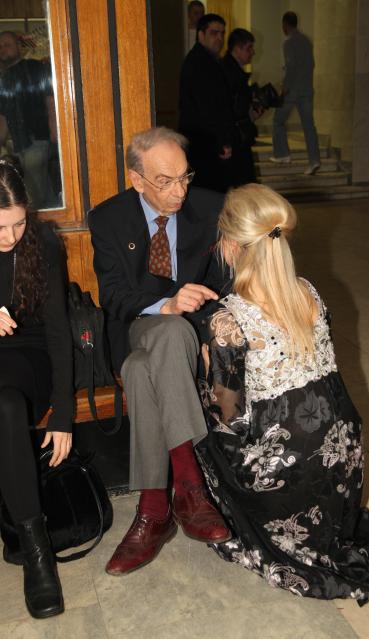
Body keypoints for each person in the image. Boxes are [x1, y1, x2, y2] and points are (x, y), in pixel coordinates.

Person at [196, 182, 369, 604]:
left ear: (229, 245)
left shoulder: (227, 320)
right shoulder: (309, 291)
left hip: (290, 467)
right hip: (344, 450)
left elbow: (230, 419)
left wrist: (207, 369)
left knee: (198, 427)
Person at [88, 127, 231, 577]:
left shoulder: (211, 208)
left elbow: (227, 286)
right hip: (133, 326)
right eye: (165, 182)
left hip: (187, 334)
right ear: (137, 179)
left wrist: (208, 333)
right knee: (158, 338)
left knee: (140, 370)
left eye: (185, 177)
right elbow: (112, 295)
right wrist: (165, 304)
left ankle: (154, 509)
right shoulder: (108, 218)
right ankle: (189, 486)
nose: (179, 192)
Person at [0, 160, 73, 618]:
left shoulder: (42, 242)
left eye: (18, 223)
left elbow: (58, 332)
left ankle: (35, 547)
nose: (10, 237)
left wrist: (63, 414)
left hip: (30, 357)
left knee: (7, 406)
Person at [0, 31, 59, 209]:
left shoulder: (34, 67)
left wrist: (54, 128)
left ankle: (41, 221)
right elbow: (4, 115)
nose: (3, 49)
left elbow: (50, 98)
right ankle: (52, 219)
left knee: (33, 191)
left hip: (38, 137)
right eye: (0, 47)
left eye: (7, 45)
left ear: (19, 47)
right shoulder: (4, 78)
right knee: (41, 188)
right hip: (20, 143)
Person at [179, 13, 236, 193]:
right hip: (204, 145)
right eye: (214, 33)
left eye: (222, 33)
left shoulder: (208, 60)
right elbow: (206, 108)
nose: (219, 38)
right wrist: (221, 142)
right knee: (210, 196)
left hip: (205, 143)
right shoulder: (199, 63)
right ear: (201, 34)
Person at [270, 12, 321, 176]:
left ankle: (282, 154)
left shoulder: (289, 42)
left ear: (285, 24)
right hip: (307, 89)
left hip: (292, 90)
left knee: (278, 121)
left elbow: (291, 67)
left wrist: (285, 88)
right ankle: (314, 160)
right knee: (308, 126)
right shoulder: (306, 41)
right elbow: (311, 64)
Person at [221, 28, 263, 187]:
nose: (253, 52)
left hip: (237, 138)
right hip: (235, 140)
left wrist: (250, 114)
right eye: (249, 48)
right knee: (244, 186)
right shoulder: (229, 73)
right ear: (237, 49)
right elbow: (229, 110)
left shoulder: (231, 70)